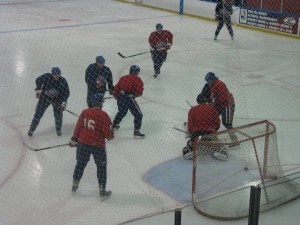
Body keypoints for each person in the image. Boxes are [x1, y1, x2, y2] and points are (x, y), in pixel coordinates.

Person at [69, 93, 114, 198]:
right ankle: (102, 191)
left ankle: (75, 183)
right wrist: (111, 136)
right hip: (98, 145)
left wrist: (74, 139)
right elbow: (108, 134)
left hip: (83, 143)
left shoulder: (85, 112)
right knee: (101, 167)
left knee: (80, 164)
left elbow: (78, 127)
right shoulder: (103, 115)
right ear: (101, 103)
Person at [27, 67, 70, 136]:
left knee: (58, 116)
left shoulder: (63, 81)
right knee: (38, 114)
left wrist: (64, 102)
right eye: (55, 75)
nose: (56, 76)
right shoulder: (47, 76)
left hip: (57, 100)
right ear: (52, 74)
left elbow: (66, 93)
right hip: (44, 98)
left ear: (60, 74)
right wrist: (38, 89)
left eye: (58, 75)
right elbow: (38, 80)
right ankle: (31, 129)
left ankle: (58, 129)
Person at [198, 72, 238, 145]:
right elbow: (212, 96)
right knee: (211, 118)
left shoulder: (220, 84)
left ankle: (235, 141)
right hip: (220, 105)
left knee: (227, 123)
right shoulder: (212, 85)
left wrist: (213, 102)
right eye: (206, 80)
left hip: (227, 105)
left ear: (212, 79)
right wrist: (208, 101)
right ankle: (212, 137)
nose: (207, 82)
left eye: (208, 80)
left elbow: (223, 98)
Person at [182, 94, 220, 160]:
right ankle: (219, 151)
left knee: (191, 142)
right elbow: (217, 122)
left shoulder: (192, 110)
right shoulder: (212, 108)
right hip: (209, 130)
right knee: (214, 140)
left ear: (198, 101)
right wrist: (214, 130)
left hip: (197, 132)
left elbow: (190, 124)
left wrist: (191, 133)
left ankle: (191, 150)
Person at [111, 65, 145, 138]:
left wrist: (116, 95)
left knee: (122, 112)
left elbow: (116, 87)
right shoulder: (137, 79)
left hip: (120, 97)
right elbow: (140, 91)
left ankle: (114, 125)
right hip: (129, 99)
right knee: (139, 114)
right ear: (136, 72)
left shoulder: (123, 77)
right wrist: (135, 95)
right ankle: (136, 131)